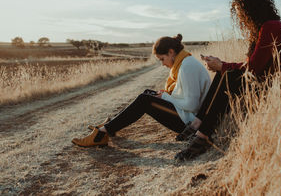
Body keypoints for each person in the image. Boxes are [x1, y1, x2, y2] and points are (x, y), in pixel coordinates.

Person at [174, 0, 281, 161]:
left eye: (241, 13)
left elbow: (253, 68)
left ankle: (203, 137)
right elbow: (252, 66)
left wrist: (222, 65)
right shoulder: (262, 29)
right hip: (266, 81)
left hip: (279, 86)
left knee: (227, 75)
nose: (240, 18)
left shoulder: (271, 27)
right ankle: (198, 124)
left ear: (252, 10)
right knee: (225, 74)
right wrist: (221, 65)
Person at [72, 34, 211, 147]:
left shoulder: (187, 66)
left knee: (145, 101)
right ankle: (110, 126)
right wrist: (166, 95)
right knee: (147, 93)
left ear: (171, 52)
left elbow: (192, 105)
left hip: (191, 124)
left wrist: (167, 97)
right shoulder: (184, 63)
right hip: (187, 115)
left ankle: (102, 133)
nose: (162, 64)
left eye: (162, 59)